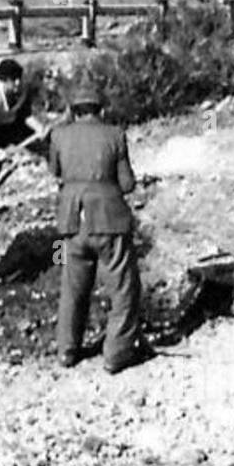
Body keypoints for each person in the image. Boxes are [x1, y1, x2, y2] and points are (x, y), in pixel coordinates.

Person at [48, 86, 143, 373]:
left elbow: (56, 173)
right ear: (101, 109)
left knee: (72, 287)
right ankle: (116, 355)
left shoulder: (58, 135)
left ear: (74, 110)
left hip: (70, 222)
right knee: (123, 287)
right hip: (108, 220)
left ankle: (67, 351)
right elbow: (127, 184)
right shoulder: (115, 134)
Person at [0, 58, 43, 158]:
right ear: (4, 80)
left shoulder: (21, 90)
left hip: (11, 127)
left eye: (19, 78)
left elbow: (25, 114)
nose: (18, 83)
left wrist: (39, 127)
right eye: (13, 79)